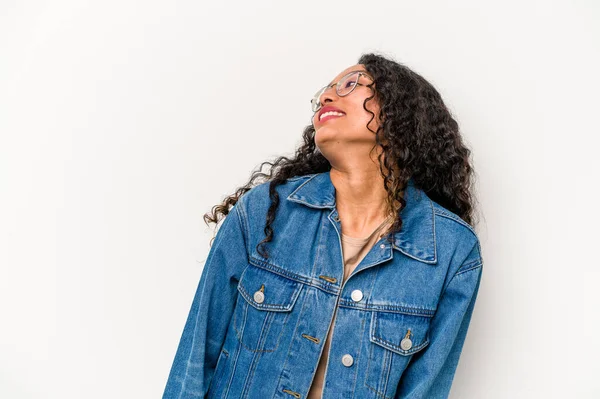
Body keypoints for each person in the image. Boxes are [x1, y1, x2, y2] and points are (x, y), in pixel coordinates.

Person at [162, 52, 484, 399]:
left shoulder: (451, 250)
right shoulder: (263, 211)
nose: (327, 97)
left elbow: (426, 390)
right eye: (324, 92)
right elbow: (195, 359)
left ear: (398, 111)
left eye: (349, 84)